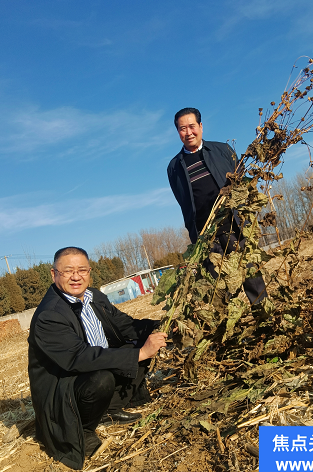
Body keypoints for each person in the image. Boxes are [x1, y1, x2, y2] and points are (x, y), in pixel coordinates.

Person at [28, 247, 167, 470]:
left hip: (90, 370)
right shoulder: (50, 314)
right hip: (64, 388)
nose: (76, 276)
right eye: (68, 271)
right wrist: (139, 354)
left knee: (140, 343)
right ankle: (83, 428)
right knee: (102, 376)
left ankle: (110, 408)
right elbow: (79, 357)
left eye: (82, 270)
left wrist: (161, 326)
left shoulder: (95, 297)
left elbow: (125, 325)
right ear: (54, 274)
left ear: (89, 271)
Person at [167, 107, 266, 304]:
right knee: (218, 291)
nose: (188, 133)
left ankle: (265, 321)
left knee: (251, 277)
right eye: (182, 128)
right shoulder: (174, 167)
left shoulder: (223, 150)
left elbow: (242, 186)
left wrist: (247, 220)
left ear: (201, 126)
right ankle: (231, 333)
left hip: (235, 227)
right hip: (206, 236)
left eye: (192, 126)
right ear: (178, 132)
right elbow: (183, 203)